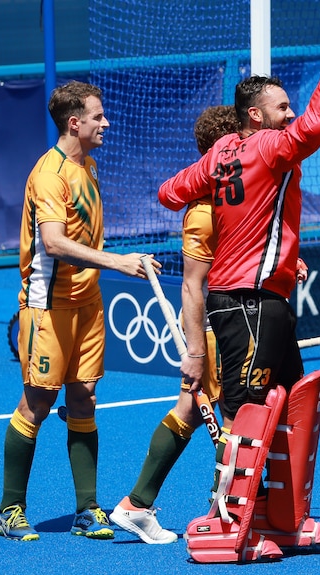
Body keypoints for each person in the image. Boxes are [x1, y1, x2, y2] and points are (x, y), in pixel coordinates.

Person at [158, 27, 320, 556]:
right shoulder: (273, 147)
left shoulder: (227, 149)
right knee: (245, 414)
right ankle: (225, 527)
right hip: (245, 299)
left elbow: (170, 191)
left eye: (289, 106)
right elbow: (318, 125)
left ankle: (278, 517)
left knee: (289, 401)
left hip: (264, 297)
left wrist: (211, 193)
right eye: (281, 107)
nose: (290, 115)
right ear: (256, 115)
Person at [0, 80, 159, 541]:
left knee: (84, 395)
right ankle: (10, 509)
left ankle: (87, 509)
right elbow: (53, 242)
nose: (105, 123)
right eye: (98, 116)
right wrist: (118, 262)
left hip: (88, 303)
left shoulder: (88, 165)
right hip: (49, 305)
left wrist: (116, 264)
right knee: (39, 402)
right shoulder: (49, 174)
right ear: (74, 122)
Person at [110, 105, 241, 544]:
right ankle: (223, 516)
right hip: (215, 330)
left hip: (228, 322)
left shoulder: (235, 197)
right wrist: (197, 349)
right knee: (231, 420)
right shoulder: (203, 211)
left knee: (188, 410)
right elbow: (192, 287)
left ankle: (137, 505)